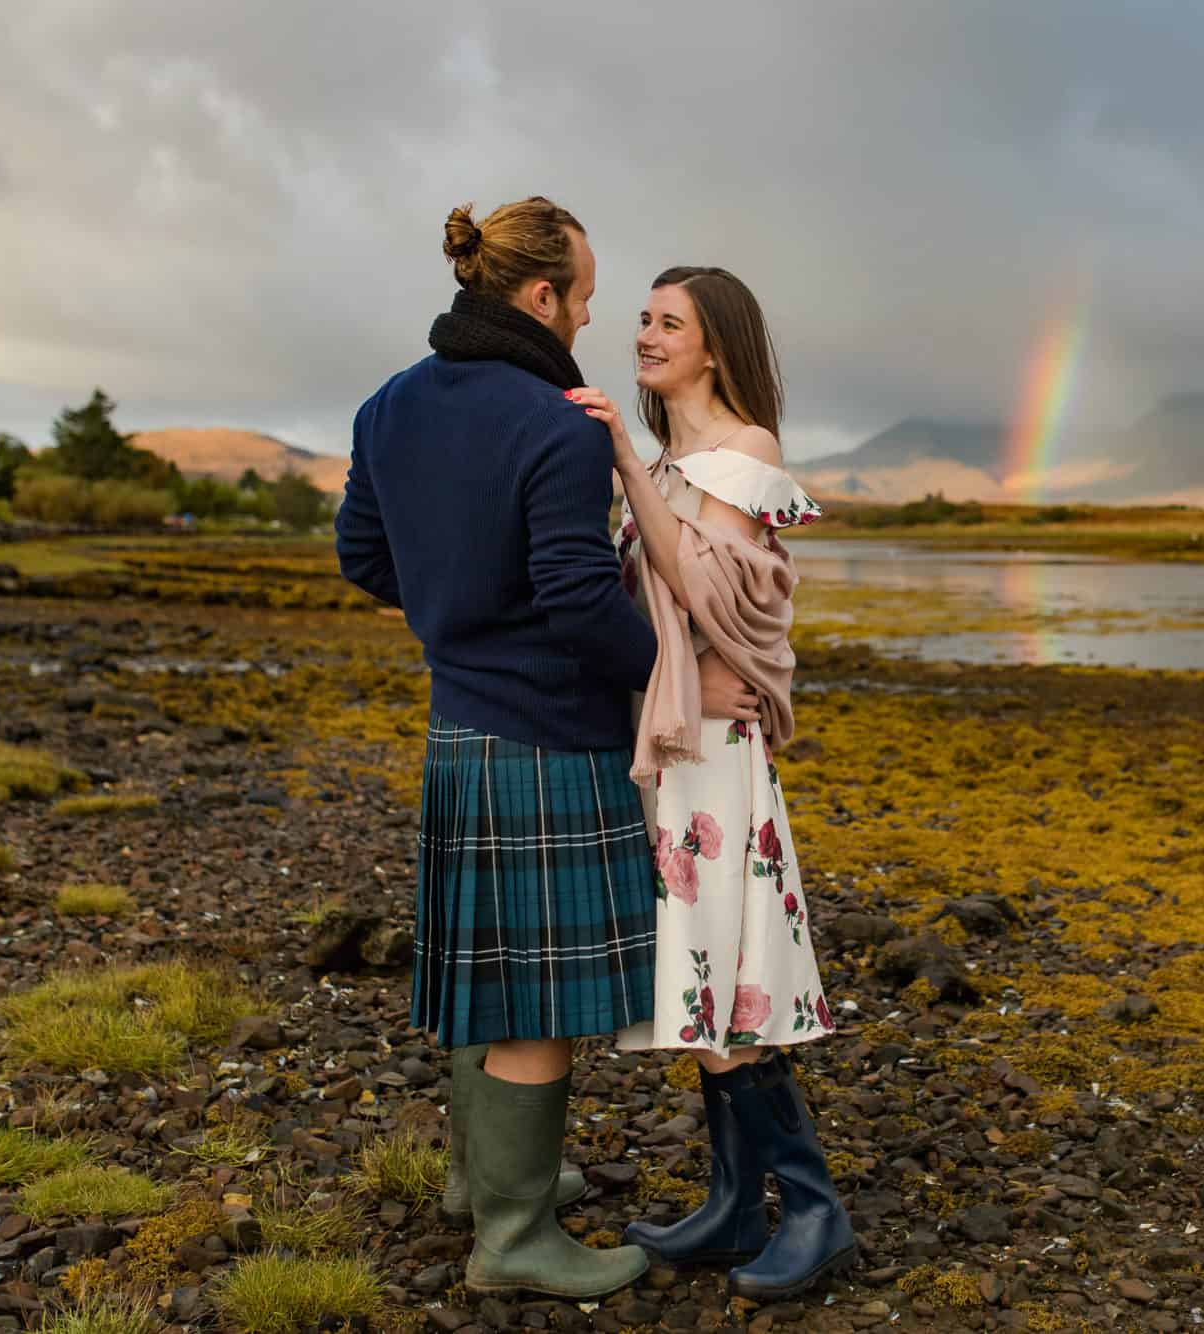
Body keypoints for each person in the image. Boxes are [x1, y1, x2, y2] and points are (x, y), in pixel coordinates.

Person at [335, 200, 758, 1300]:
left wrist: (453, 614)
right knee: (538, 999)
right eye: (581, 292)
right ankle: (515, 1236)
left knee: (484, 972)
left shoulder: (388, 404)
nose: (589, 313)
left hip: (456, 726)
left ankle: (483, 1182)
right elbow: (578, 597)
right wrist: (665, 675)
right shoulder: (555, 421)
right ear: (537, 297)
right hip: (548, 735)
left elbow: (362, 556)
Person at [567, 266, 855, 1301]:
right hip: (675, 740)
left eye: (667, 322)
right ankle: (737, 1203)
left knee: (729, 986)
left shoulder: (743, 452)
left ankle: (814, 1209)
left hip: (715, 758)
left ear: (714, 347)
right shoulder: (669, 457)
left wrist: (619, 464)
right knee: (704, 981)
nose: (643, 334)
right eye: (640, 317)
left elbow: (705, 593)